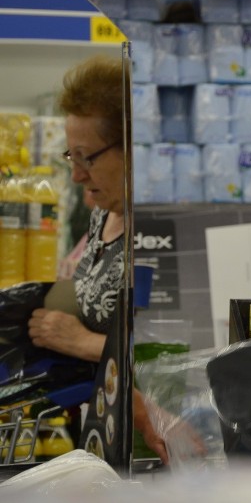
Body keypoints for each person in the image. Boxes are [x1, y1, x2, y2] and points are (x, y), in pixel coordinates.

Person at [25, 55, 169, 462]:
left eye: (87, 157)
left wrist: (84, 343)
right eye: (72, 157)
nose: (77, 175)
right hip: (102, 436)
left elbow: (179, 352)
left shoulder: (163, 228)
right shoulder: (103, 213)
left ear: (132, 148)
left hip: (154, 447)